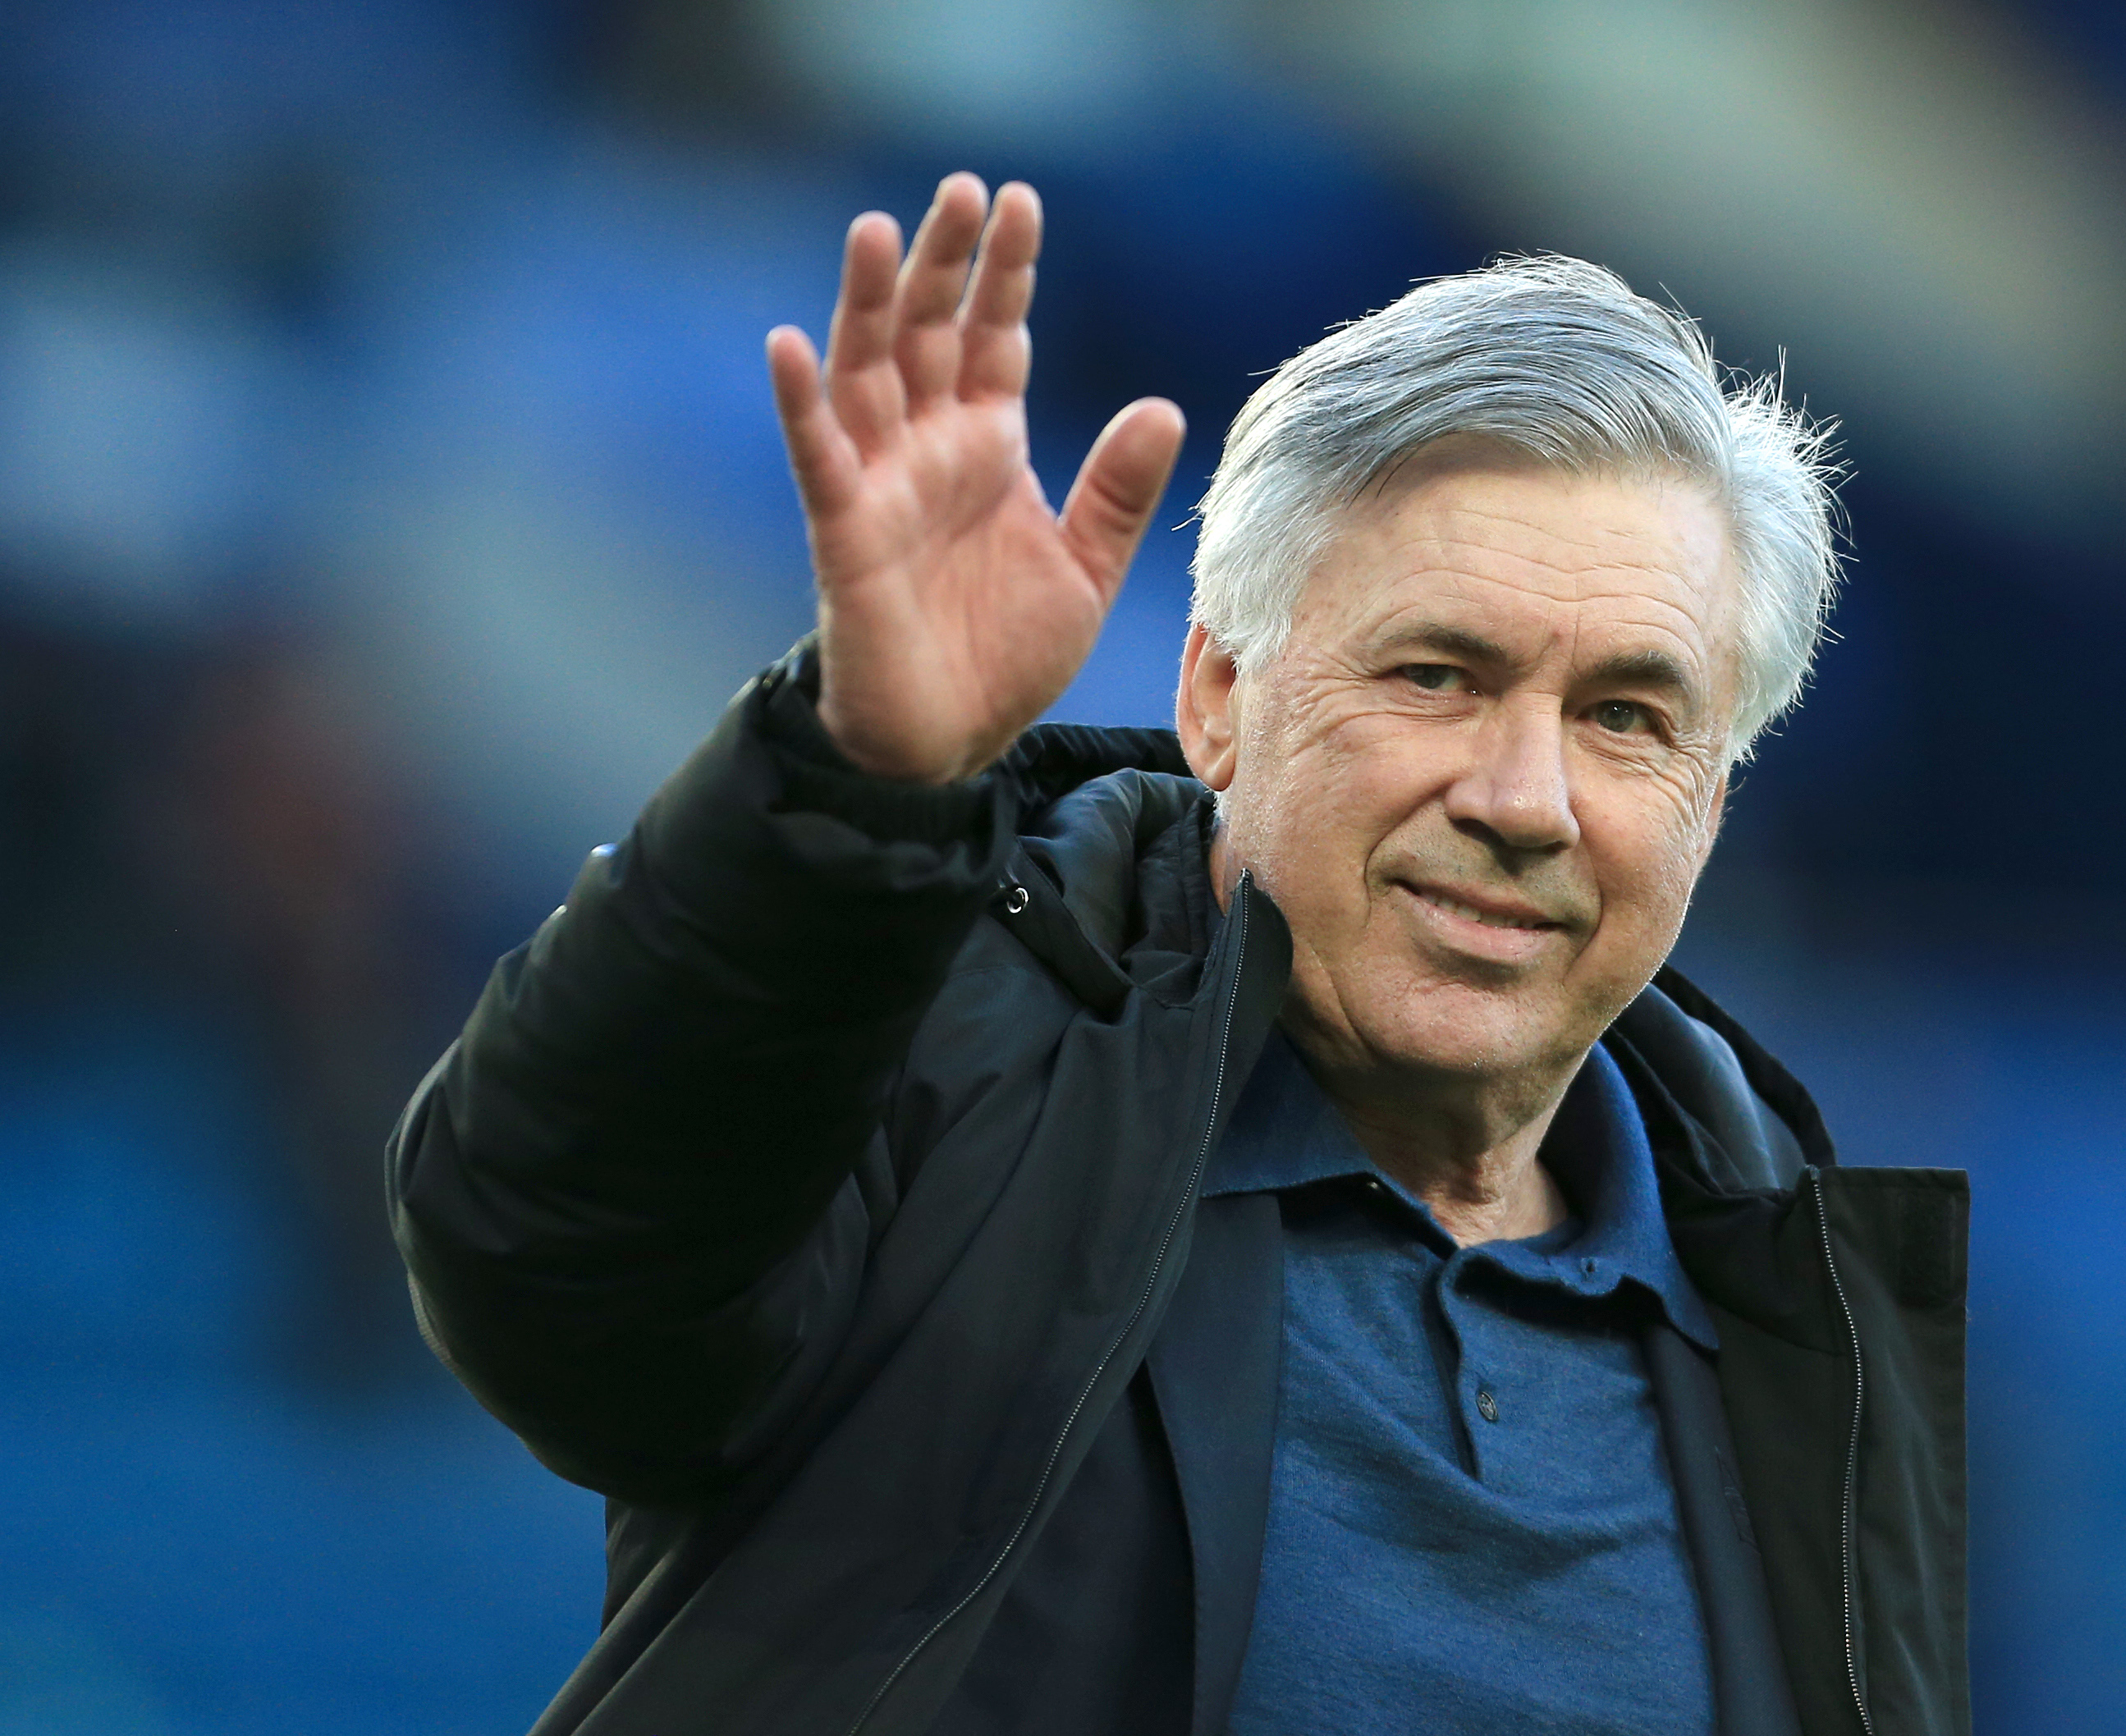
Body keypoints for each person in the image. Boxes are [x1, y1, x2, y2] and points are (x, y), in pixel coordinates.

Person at [389, 173, 1969, 1736]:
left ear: (1714, 789)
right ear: (1216, 697)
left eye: (1626, 718)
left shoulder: (1804, 1301)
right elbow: (550, 1258)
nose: (1523, 801)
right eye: (1435, 675)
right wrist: (850, 785)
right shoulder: (936, 1066)